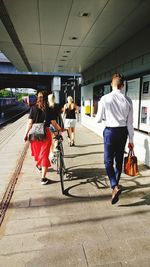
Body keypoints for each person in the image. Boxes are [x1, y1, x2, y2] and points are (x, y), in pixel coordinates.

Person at [95, 73, 134, 204]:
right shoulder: (128, 100)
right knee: (118, 162)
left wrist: (106, 116)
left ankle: (114, 186)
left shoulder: (105, 99)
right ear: (122, 86)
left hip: (110, 132)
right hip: (123, 132)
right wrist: (131, 141)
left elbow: (98, 119)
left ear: (112, 84)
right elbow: (130, 123)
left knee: (107, 161)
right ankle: (115, 187)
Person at [24, 91, 52, 185]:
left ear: (37, 99)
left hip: (35, 134)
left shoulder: (33, 108)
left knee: (38, 153)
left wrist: (26, 134)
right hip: (45, 133)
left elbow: (29, 123)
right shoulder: (48, 109)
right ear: (45, 99)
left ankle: (39, 165)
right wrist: (58, 130)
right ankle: (43, 178)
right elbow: (53, 122)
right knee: (44, 155)